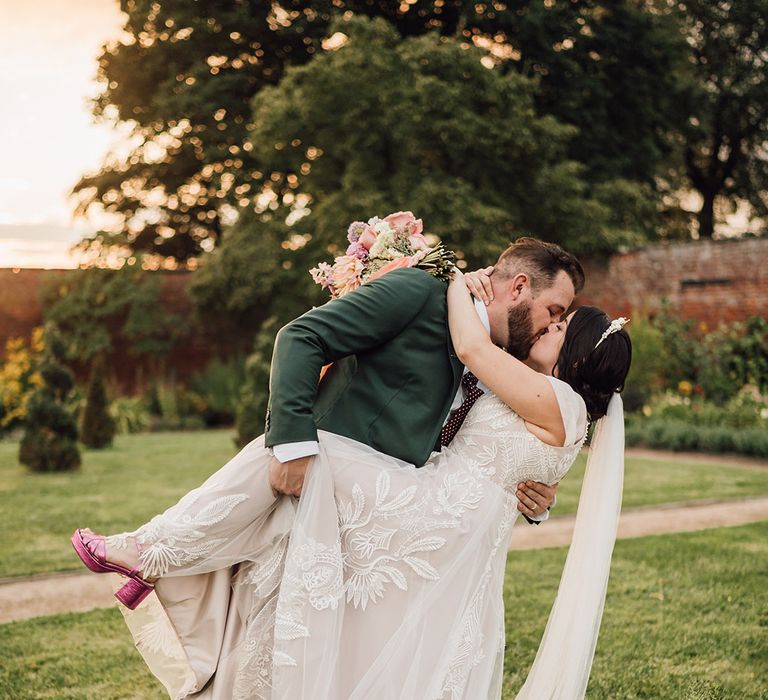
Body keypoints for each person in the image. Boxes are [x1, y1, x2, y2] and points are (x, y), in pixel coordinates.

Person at [71, 245, 631, 699]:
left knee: (327, 634)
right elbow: (301, 336)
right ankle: (157, 559)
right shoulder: (421, 294)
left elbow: (481, 391)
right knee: (303, 635)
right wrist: (292, 443)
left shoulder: (506, 364)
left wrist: (536, 493)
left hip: (409, 518)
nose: (551, 326)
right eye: (554, 312)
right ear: (518, 288)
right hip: (391, 516)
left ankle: (153, 549)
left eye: (562, 323)